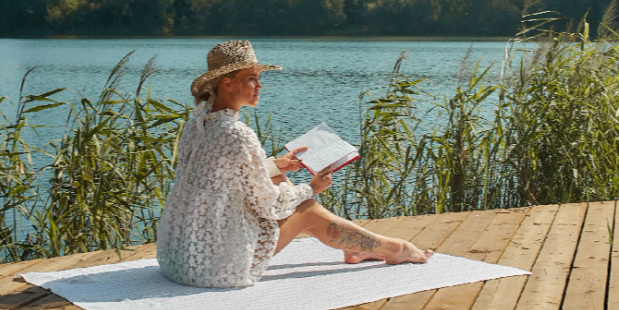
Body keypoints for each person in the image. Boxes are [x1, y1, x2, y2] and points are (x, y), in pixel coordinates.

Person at [156, 40, 433, 288]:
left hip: (180, 257)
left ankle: (359, 248)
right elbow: (269, 206)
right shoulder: (237, 134)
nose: (260, 86)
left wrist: (275, 167)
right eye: (252, 78)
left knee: (281, 182)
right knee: (308, 209)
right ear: (227, 84)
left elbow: (214, 179)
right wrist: (311, 188)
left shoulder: (198, 124)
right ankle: (393, 248)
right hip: (213, 268)